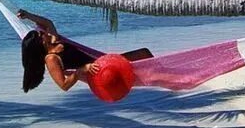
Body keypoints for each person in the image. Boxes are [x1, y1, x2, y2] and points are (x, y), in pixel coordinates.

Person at [17, 10, 153, 92]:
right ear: (41, 42)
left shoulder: (54, 41)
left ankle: (166, 75)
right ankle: (166, 76)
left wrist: (28, 15)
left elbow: (48, 23)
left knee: (144, 54)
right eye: (41, 34)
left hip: (103, 61)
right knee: (143, 58)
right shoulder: (51, 59)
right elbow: (64, 85)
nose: (43, 32)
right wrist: (81, 71)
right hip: (100, 70)